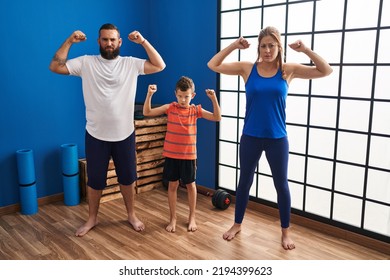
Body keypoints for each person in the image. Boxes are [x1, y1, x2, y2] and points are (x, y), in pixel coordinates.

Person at [207, 26, 333, 250]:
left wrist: (306, 50)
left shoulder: (288, 70)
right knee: (244, 182)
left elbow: (326, 71)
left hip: (277, 139)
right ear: (258, 47)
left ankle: (285, 232)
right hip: (250, 138)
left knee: (281, 185)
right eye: (263, 46)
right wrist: (234, 45)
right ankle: (237, 224)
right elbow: (213, 64)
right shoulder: (248, 68)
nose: (267, 50)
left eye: (271, 46)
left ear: (279, 47)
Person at [49, 23, 166, 237]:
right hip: (96, 135)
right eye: (105, 39)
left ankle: (131, 214)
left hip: (125, 134)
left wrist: (142, 42)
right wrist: (69, 41)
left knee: (128, 178)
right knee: (95, 181)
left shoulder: (131, 64)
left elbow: (160, 65)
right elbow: (55, 66)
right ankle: (92, 218)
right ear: (98, 42)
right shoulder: (86, 63)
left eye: (113, 39)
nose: (109, 43)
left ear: (119, 42)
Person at [143, 77, 221, 232]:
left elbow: (217, 117)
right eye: (179, 96)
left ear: (193, 95)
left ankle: (192, 217)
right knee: (172, 186)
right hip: (172, 156)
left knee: (191, 186)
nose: (182, 99)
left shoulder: (195, 110)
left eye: (186, 96)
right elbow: (147, 112)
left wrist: (214, 99)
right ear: (175, 94)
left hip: (189, 156)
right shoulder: (170, 107)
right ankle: (173, 218)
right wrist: (149, 94)